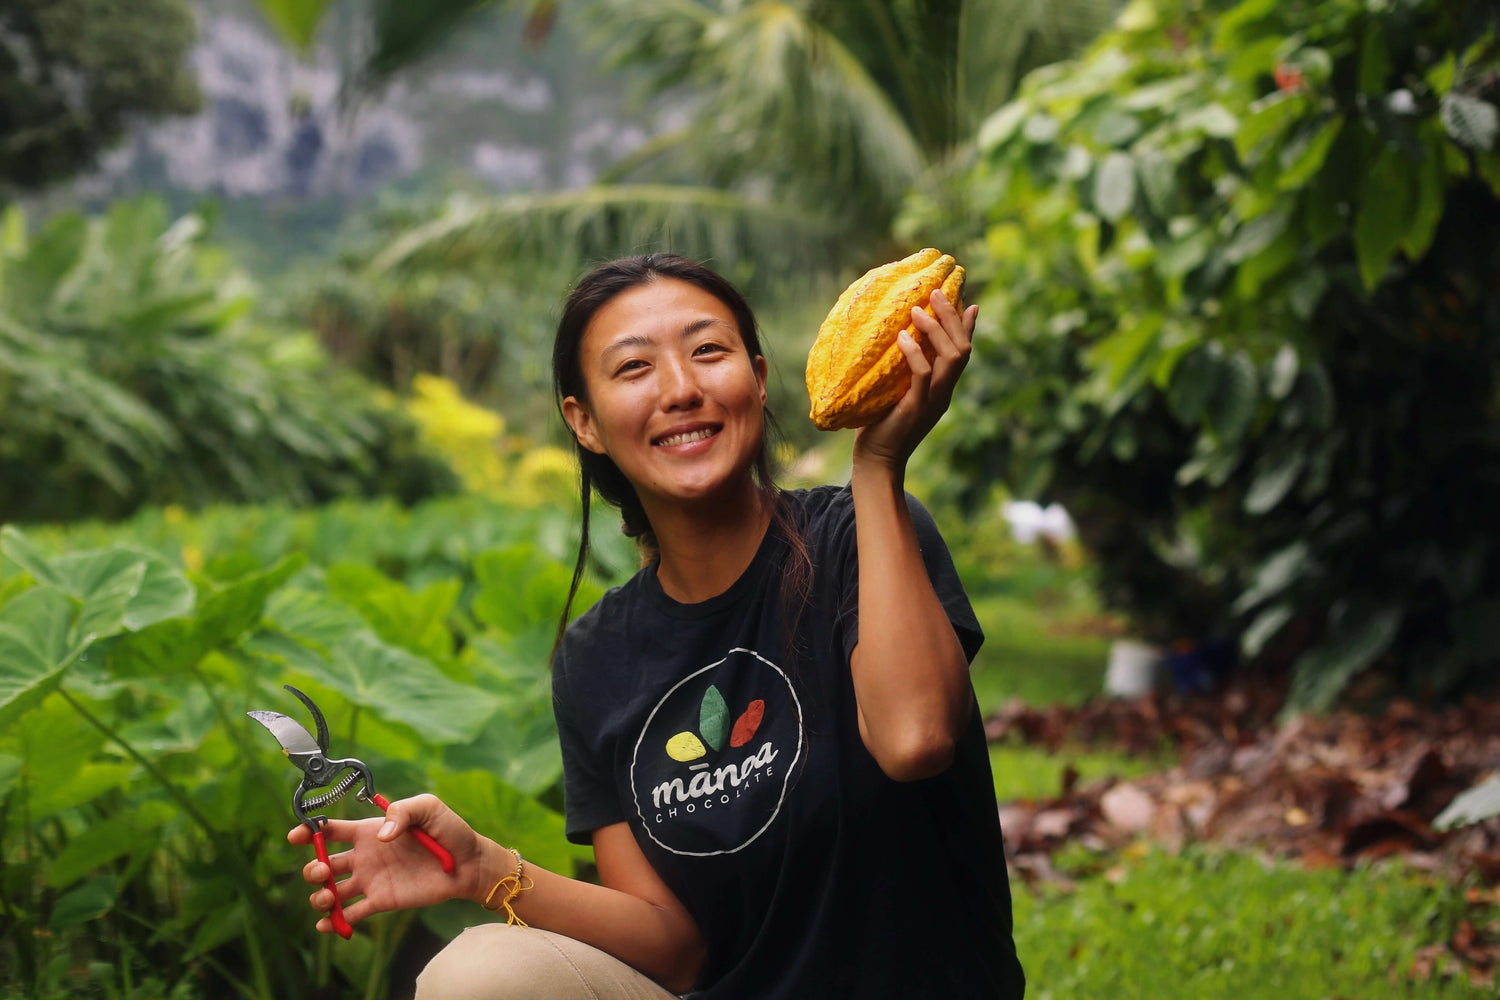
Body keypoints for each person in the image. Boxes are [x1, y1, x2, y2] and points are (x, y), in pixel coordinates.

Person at [289, 254, 1026, 999]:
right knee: (476, 975)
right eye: (634, 368)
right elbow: (672, 951)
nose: (681, 389)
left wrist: (879, 467)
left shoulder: (859, 533)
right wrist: (480, 868)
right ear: (585, 422)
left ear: (759, 378)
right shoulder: (595, 657)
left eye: (709, 351)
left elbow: (916, 739)